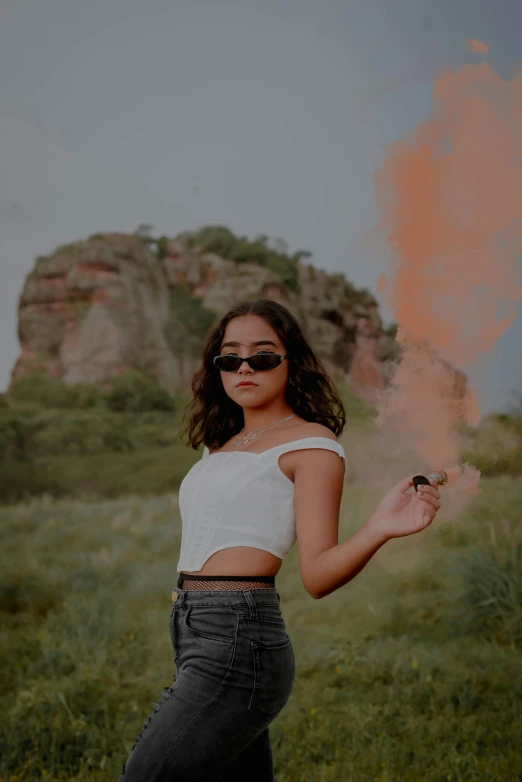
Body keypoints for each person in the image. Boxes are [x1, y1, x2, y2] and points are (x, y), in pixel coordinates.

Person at [117, 298, 442, 781]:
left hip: (237, 638)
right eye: (230, 357)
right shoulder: (219, 442)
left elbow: (317, 575)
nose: (244, 367)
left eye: (263, 355)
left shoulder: (311, 445)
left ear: (291, 363)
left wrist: (379, 528)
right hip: (192, 628)